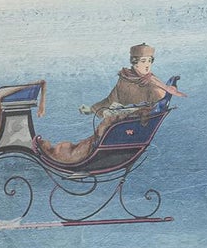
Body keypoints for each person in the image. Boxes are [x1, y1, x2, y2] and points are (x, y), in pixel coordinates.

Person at [48, 42, 180, 165]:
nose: (147, 65)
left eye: (150, 61)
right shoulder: (125, 79)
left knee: (103, 130)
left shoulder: (152, 82)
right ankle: (71, 155)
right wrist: (91, 109)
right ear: (134, 62)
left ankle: (76, 156)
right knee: (95, 137)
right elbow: (111, 100)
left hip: (133, 123)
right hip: (119, 117)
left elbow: (159, 102)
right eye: (144, 61)